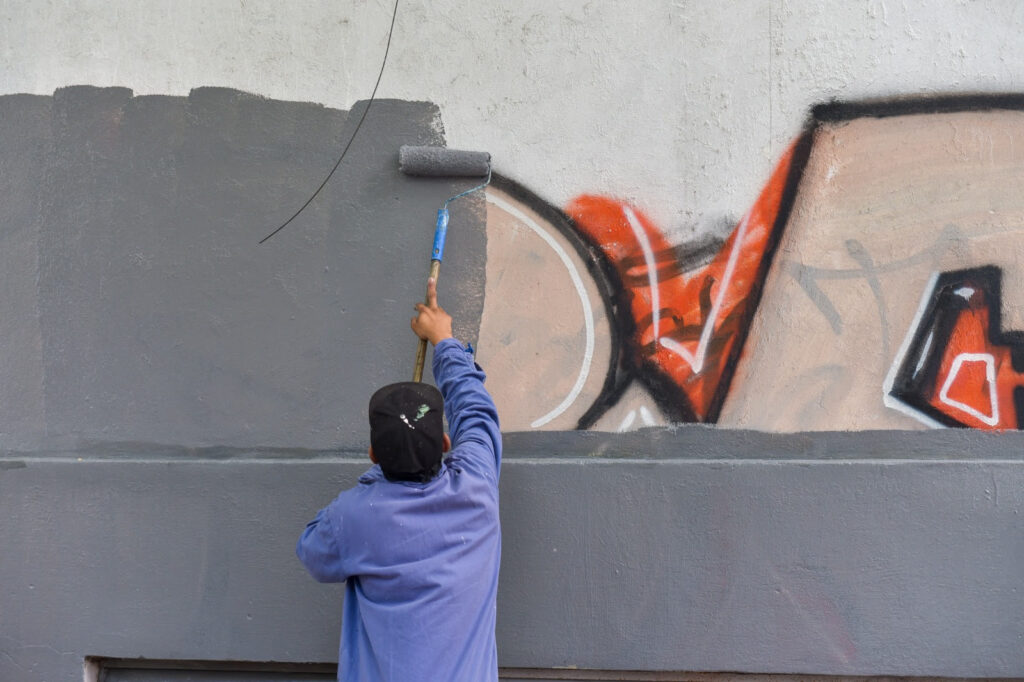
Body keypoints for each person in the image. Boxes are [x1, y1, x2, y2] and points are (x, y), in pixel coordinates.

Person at [296, 278, 502, 682]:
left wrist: (376, 481)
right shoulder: (477, 486)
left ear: (373, 455)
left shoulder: (353, 517)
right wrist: (443, 340)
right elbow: (476, 412)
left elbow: (313, 552)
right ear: (446, 444)